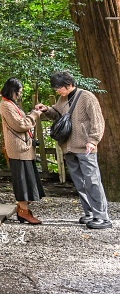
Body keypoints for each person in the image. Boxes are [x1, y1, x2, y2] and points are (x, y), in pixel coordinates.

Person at [37, 72, 111, 229]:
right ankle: (90, 213)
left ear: (69, 84)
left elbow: (97, 120)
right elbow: (57, 115)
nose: (57, 91)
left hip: (86, 147)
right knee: (79, 182)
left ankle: (102, 217)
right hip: (68, 146)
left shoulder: (87, 97)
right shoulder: (62, 98)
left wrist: (93, 140)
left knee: (92, 181)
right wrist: (46, 110)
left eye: (59, 88)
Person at [0, 78, 44, 224]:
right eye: (19, 91)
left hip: (24, 148)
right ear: (13, 91)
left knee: (29, 180)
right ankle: (23, 211)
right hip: (18, 149)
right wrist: (34, 114)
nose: (20, 94)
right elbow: (20, 125)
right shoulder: (6, 105)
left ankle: (22, 209)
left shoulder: (11, 104)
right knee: (23, 181)